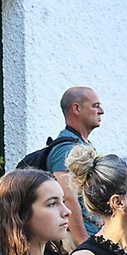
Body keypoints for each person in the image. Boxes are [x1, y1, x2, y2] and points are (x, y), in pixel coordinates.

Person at [47, 86, 104, 245]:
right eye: (95, 106)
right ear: (76, 109)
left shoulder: (81, 144)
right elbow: (67, 197)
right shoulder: (67, 149)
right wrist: (83, 242)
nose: (101, 111)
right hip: (74, 240)